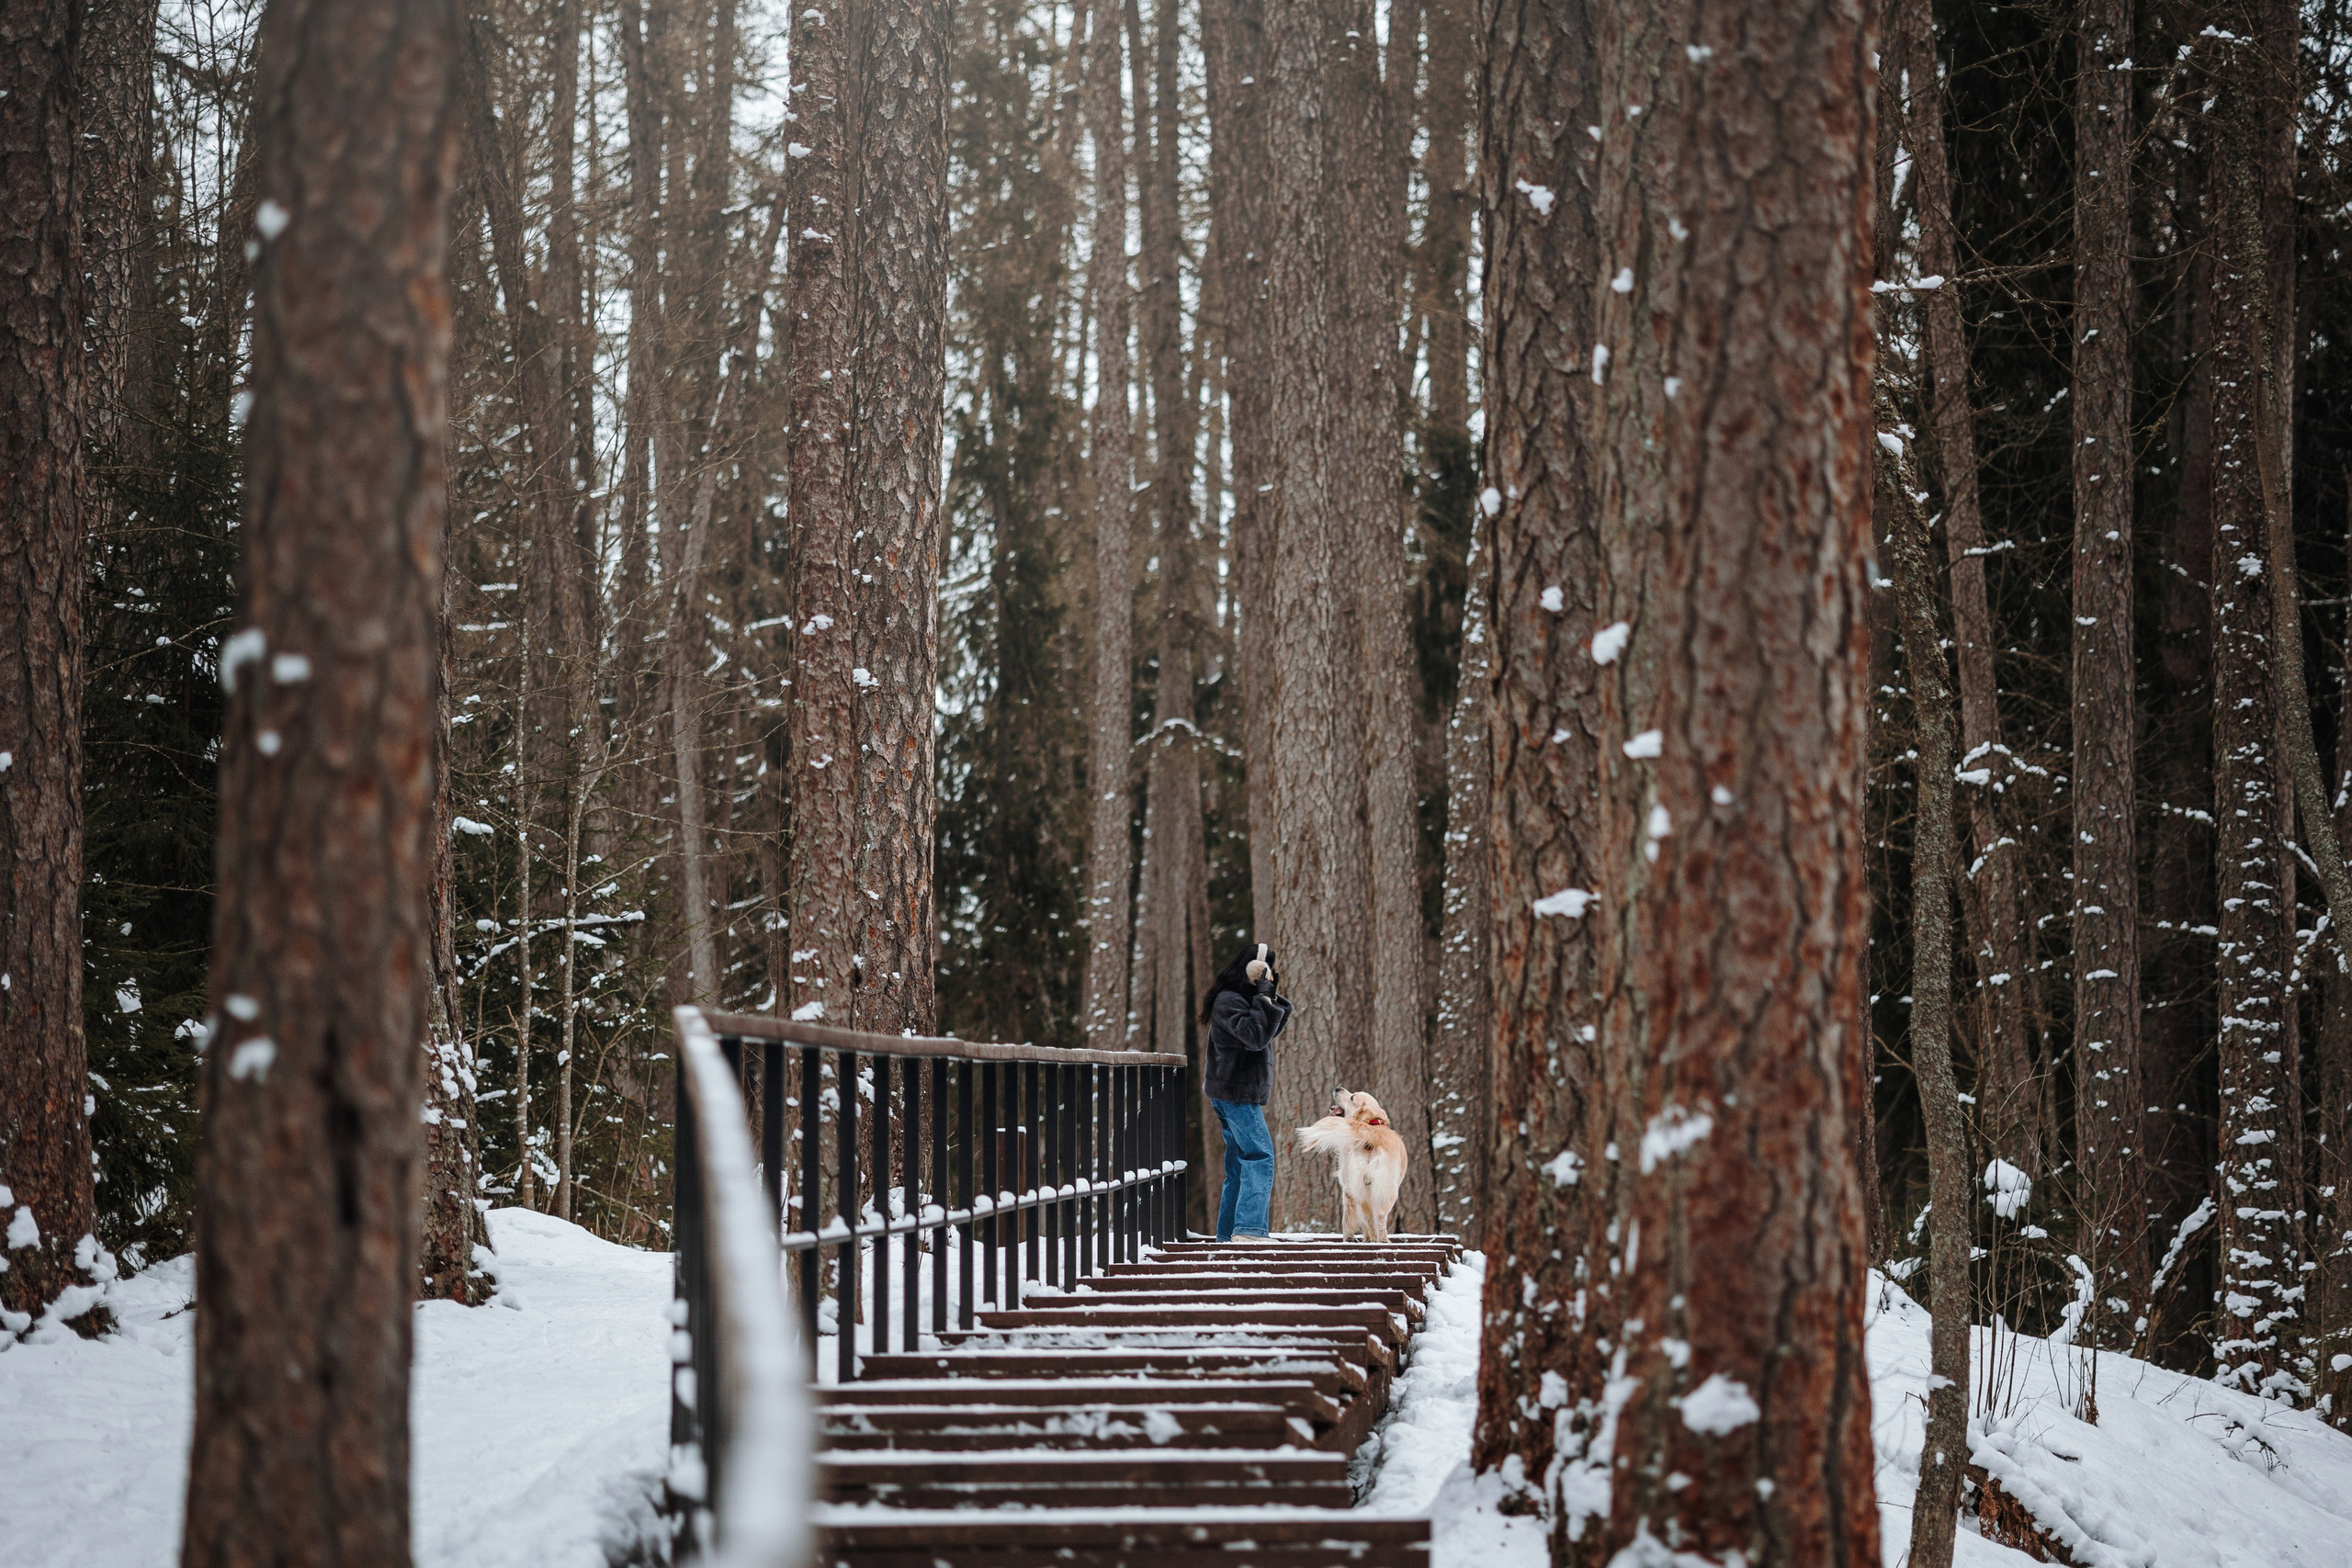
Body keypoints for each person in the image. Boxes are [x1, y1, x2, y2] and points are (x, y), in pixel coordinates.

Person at [1201, 942, 1293, 1242]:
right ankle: (1250, 1231)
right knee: (1259, 1155)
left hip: (1235, 1092)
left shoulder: (1242, 999)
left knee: (1239, 1167)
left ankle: (1228, 1235)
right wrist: (1263, 998)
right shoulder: (1228, 1000)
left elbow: (1266, 1032)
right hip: (1235, 1092)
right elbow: (1254, 1037)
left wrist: (1268, 996)